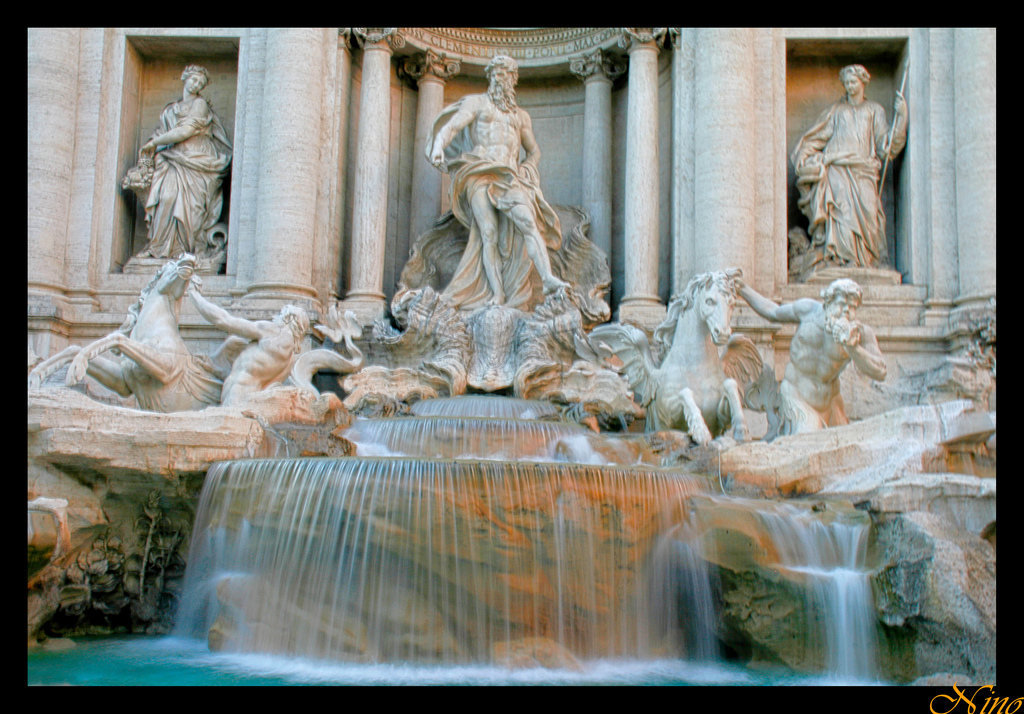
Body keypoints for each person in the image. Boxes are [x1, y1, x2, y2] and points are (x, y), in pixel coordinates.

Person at [426, 55, 568, 312]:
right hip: (479, 172)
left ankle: (547, 279)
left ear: (514, 80)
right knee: (488, 232)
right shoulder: (477, 104)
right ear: (490, 77)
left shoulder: (520, 117)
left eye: (507, 75)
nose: (502, 79)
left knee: (528, 222)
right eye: (497, 74)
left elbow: (534, 152)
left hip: (509, 176)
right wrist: (438, 146)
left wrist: (527, 168)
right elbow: (452, 127)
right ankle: (498, 293)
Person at [735, 276, 887, 435]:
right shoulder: (807, 311)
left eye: (852, 307)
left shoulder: (860, 334)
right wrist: (743, 289)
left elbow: (881, 371)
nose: (846, 311)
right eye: (841, 304)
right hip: (796, 394)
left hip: (830, 400)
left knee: (843, 446)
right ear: (828, 302)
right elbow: (772, 311)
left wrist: (853, 348)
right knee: (808, 438)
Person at [791, 64, 908, 269]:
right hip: (837, 170)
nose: (850, 86)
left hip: (864, 170)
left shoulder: (874, 110)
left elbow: (886, 146)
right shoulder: (836, 111)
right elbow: (817, 137)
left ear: (864, 83)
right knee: (841, 213)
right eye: (846, 83)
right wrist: (804, 154)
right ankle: (843, 260)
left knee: (870, 213)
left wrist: (902, 118)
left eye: (853, 82)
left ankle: (869, 260)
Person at [134, 65, 232, 260]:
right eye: (194, 80)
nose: (196, 85)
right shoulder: (170, 110)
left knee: (192, 209)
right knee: (167, 198)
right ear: (184, 78)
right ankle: (158, 248)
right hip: (173, 160)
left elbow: (185, 131)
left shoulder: (200, 105)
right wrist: (152, 146)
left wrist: (154, 143)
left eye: (201, 83)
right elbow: (163, 133)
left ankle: (186, 251)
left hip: (197, 161)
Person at [188, 286, 310, 407]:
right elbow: (248, 374)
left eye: (279, 314)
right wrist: (213, 369)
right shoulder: (289, 360)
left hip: (236, 398)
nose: (274, 318)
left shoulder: (274, 332)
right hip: (245, 401)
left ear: (288, 318)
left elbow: (224, 320)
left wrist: (194, 295)